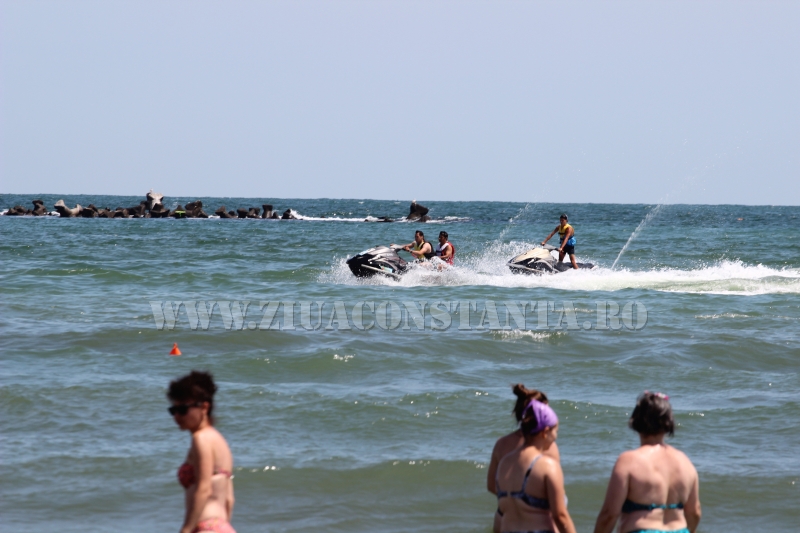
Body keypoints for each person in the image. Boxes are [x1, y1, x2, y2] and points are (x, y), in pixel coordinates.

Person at [593, 392, 701, 533]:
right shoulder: (685, 462)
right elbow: (694, 512)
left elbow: (609, 514)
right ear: (668, 422)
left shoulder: (628, 461)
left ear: (637, 421)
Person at [487, 384, 561, 533]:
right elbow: (556, 499)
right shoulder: (549, 447)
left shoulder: (501, 444)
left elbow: (491, 485)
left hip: (504, 518)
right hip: (538, 522)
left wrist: (514, 502)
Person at [169, 371, 236, 533]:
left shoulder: (201, 439)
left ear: (204, 407)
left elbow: (204, 488)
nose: (176, 416)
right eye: (173, 410)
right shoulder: (220, 441)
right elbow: (229, 499)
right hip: (221, 526)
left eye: (182, 410)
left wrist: (186, 529)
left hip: (205, 527)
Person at [495, 398, 576, 533]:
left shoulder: (505, 463)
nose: (556, 437)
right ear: (545, 432)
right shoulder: (547, 466)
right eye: (555, 431)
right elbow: (560, 516)